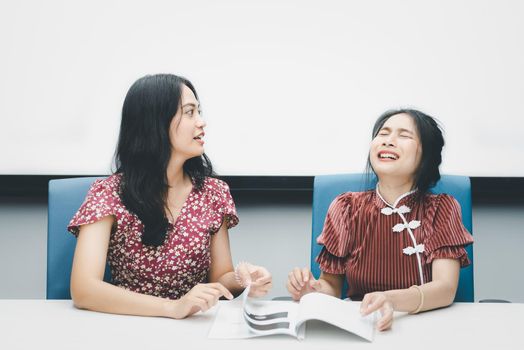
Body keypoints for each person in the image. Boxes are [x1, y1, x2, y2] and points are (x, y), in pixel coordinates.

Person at [68, 74, 271, 319]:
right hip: (127, 324)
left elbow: (220, 279)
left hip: (194, 327)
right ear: (155, 122)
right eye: (189, 112)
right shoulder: (109, 193)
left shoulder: (214, 193)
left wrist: (242, 278)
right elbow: (84, 289)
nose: (201, 122)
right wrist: (173, 308)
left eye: (199, 111)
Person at [286, 109, 473, 331]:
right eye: (383, 134)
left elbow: (445, 288)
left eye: (404, 135)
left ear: (427, 156)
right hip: (363, 325)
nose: (389, 141)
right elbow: (332, 287)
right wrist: (312, 290)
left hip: (427, 327)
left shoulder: (443, 207)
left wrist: (391, 300)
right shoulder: (346, 207)